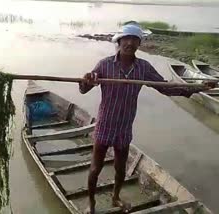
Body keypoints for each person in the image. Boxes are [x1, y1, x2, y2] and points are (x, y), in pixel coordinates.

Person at [79, 24, 216, 214]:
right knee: (95, 168)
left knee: (121, 169)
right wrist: (86, 80)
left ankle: (116, 197)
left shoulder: (143, 68)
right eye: (126, 39)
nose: (130, 43)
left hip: (124, 127)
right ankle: (91, 203)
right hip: (105, 125)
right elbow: (84, 89)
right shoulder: (104, 64)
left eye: (134, 40)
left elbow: (166, 88)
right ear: (119, 42)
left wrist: (197, 88)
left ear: (138, 43)